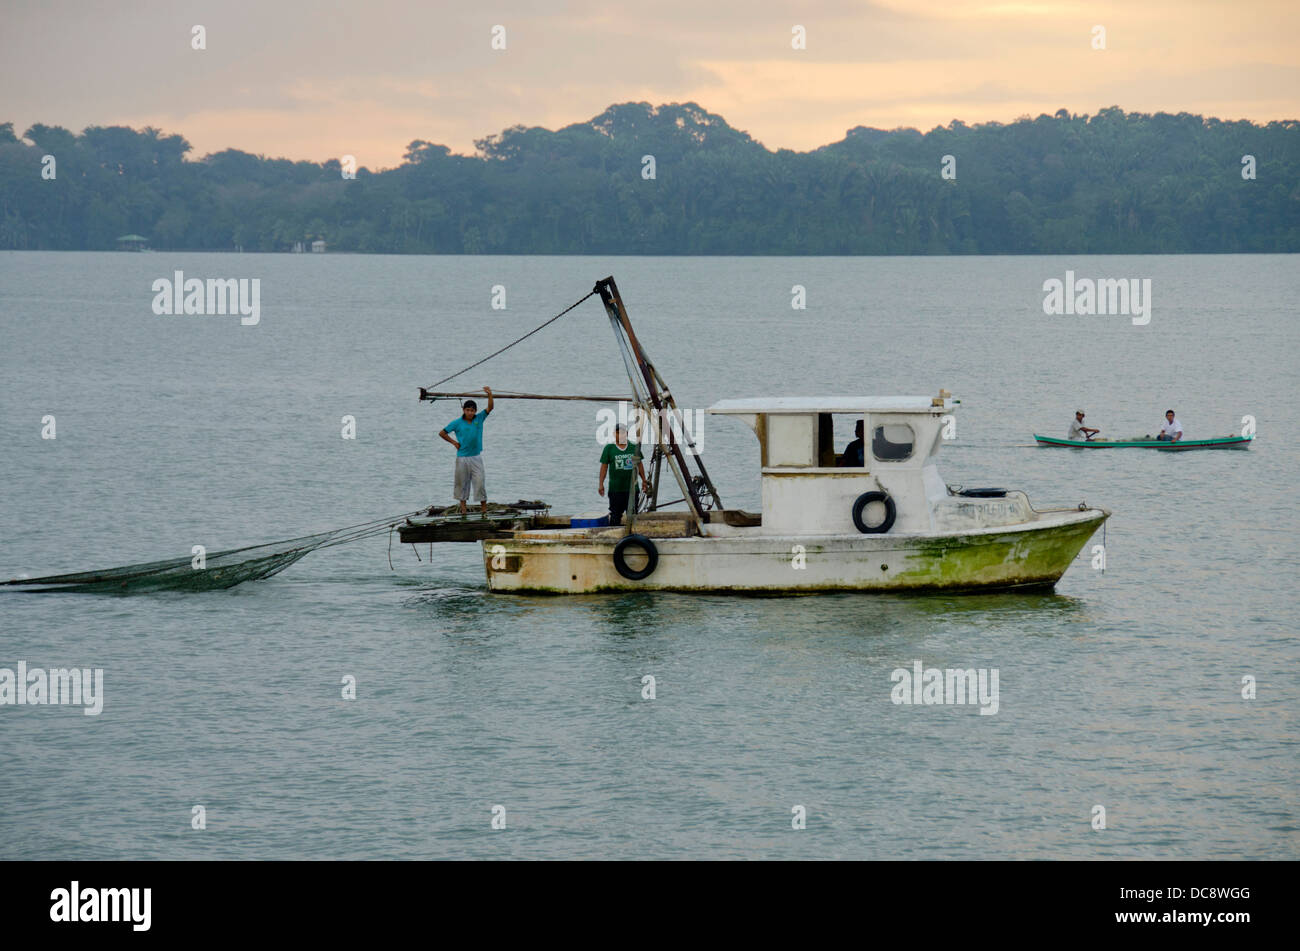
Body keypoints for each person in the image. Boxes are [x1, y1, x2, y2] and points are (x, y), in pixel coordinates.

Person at [438, 387, 494, 515]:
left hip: (476, 457)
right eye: (467, 410)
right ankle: (463, 511)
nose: (470, 412)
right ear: (463, 410)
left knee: (479, 483)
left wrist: (490, 395)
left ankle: (484, 511)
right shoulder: (457, 423)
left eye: (472, 410)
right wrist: (453, 442)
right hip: (462, 457)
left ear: (475, 411)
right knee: (462, 484)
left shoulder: (479, 419)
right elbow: (442, 433)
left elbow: (490, 408)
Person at [599, 423, 650, 525]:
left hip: (632, 489)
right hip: (615, 489)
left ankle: (632, 537)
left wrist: (644, 480)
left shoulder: (634, 447)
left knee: (632, 515)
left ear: (626, 434)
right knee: (615, 515)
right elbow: (604, 467)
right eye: (618, 433)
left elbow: (639, 465)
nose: (620, 435)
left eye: (622, 433)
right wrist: (601, 484)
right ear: (614, 434)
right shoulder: (609, 448)